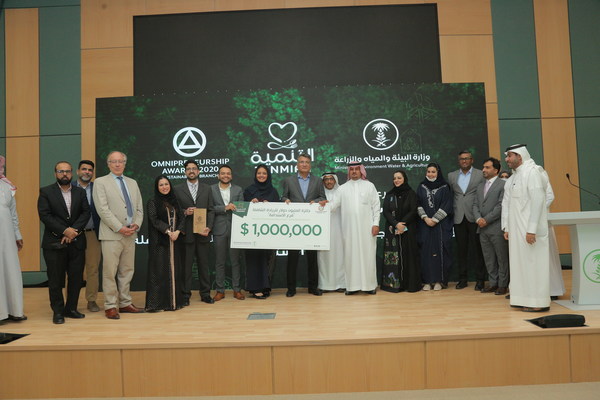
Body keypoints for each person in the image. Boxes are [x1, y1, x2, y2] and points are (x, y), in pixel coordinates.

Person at [93, 151, 144, 320]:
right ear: (108, 164)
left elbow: (139, 208)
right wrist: (120, 228)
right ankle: (110, 306)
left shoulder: (132, 183)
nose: (117, 164)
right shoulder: (100, 182)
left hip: (131, 234)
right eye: (113, 161)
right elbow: (102, 210)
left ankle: (125, 303)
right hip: (112, 235)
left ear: (125, 163)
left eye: (120, 161)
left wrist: (136, 224)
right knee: (109, 272)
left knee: (127, 271)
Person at [38, 161, 91, 324]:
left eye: (67, 171)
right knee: (55, 280)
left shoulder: (80, 192)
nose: (64, 174)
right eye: (61, 171)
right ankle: (58, 312)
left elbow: (86, 213)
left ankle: (71, 309)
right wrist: (64, 230)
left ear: (72, 173)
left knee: (76, 279)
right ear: (55, 173)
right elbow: (45, 215)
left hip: (77, 242)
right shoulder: (46, 192)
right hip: (54, 243)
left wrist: (73, 231)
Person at [501, 144, 550, 312]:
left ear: (519, 156)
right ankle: (521, 298)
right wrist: (507, 227)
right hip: (516, 231)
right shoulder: (513, 178)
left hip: (530, 231)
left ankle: (538, 302)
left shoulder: (533, 172)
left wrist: (532, 229)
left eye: (509, 156)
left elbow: (538, 201)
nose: (506, 159)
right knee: (519, 265)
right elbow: (507, 204)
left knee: (534, 264)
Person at [329, 162, 380, 295]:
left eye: (357, 169)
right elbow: (332, 206)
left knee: (368, 256)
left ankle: (370, 286)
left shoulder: (369, 186)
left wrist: (376, 223)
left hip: (367, 229)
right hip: (349, 230)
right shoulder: (342, 189)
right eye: (351, 169)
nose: (354, 172)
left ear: (361, 171)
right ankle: (352, 287)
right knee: (350, 257)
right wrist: (320, 205)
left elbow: (376, 206)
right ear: (349, 172)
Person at [281, 153, 326, 297]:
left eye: (307, 162)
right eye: (301, 162)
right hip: (294, 225)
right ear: (297, 164)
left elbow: (322, 197)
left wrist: (316, 201)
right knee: (292, 258)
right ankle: (291, 289)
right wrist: (286, 200)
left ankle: (313, 287)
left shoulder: (318, 180)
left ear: (310, 165)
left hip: (311, 225)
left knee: (312, 258)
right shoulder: (289, 180)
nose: (304, 164)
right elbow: (284, 196)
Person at [174, 160, 215, 305]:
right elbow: (175, 211)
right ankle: (185, 295)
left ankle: (205, 294)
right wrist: (185, 212)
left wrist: (209, 227)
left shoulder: (207, 188)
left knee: (204, 265)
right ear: (185, 172)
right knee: (186, 267)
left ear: (198, 171)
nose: (191, 171)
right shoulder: (177, 189)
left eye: (194, 168)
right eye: (188, 169)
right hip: (187, 233)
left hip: (203, 233)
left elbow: (211, 210)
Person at [145, 175, 185, 312]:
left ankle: (174, 302)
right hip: (160, 243)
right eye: (161, 185)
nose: (164, 187)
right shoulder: (152, 202)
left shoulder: (175, 201)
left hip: (175, 242)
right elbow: (154, 220)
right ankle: (157, 304)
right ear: (157, 187)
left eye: (166, 184)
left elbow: (182, 218)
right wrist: (168, 231)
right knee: (158, 272)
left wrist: (177, 231)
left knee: (174, 271)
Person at [448, 150, 486, 290]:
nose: (464, 161)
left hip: (475, 217)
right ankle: (462, 279)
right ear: (459, 161)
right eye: (462, 159)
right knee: (461, 251)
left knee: (478, 250)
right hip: (458, 218)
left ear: (472, 160)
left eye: (467, 158)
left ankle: (480, 280)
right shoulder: (451, 176)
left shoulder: (480, 174)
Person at [473, 158, 509, 295]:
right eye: (483, 167)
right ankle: (493, 283)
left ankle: (503, 284)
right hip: (482, 228)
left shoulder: (503, 184)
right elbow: (475, 204)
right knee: (489, 258)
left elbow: (501, 206)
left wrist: (486, 220)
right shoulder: (480, 185)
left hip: (497, 227)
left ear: (496, 170)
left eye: (487, 167)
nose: (484, 170)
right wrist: (478, 218)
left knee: (501, 258)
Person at [243, 164, 279, 299]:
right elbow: (242, 209)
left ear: (268, 175)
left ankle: (266, 287)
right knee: (254, 259)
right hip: (252, 232)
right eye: (259, 173)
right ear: (255, 175)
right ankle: (255, 288)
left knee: (268, 259)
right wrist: (250, 203)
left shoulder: (273, 191)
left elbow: (279, 211)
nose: (261, 175)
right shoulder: (248, 191)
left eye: (264, 173)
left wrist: (270, 206)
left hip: (269, 232)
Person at [381, 170, 421, 293]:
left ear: (404, 179)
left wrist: (403, 224)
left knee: (408, 256)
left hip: (408, 229)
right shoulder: (389, 195)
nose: (396, 180)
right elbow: (386, 212)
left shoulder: (411, 193)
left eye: (399, 178)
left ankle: (409, 284)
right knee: (394, 257)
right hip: (392, 230)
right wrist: (396, 224)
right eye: (394, 178)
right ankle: (394, 284)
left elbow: (413, 210)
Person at [210, 165, 245, 301]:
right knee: (219, 262)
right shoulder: (211, 189)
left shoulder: (238, 189)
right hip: (218, 229)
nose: (225, 175)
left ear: (231, 176)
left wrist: (238, 207)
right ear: (218, 175)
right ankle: (220, 291)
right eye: (223, 173)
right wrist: (225, 208)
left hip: (235, 230)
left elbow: (242, 208)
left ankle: (237, 290)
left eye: (228, 173)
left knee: (235, 261)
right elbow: (210, 208)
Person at [417, 163, 453, 291]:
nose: (430, 174)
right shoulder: (421, 186)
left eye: (433, 172)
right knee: (425, 252)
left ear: (438, 173)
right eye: (429, 171)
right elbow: (418, 204)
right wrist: (425, 218)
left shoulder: (445, 187)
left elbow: (447, 204)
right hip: (425, 225)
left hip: (441, 226)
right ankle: (427, 281)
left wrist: (435, 219)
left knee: (440, 252)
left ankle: (439, 281)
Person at [0, 155, 26, 322]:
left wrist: (17, 235)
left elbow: (13, 213)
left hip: (7, 236)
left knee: (10, 270)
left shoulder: (7, 187)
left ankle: (14, 311)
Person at [73, 160, 102, 312]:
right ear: (78, 171)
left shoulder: (98, 188)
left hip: (92, 234)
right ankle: (71, 302)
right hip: (73, 235)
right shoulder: (69, 187)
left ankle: (91, 300)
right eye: (84, 169)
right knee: (72, 269)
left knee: (93, 268)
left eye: (90, 170)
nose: (87, 172)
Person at [316, 172, 345, 292]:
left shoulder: (341, 193)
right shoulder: (318, 196)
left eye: (331, 179)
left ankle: (341, 284)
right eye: (326, 179)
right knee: (324, 259)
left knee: (340, 257)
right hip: (323, 232)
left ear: (335, 181)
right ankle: (325, 285)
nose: (328, 182)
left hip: (339, 230)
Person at [545, 180, 566, 299]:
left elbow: (549, 196)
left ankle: (553, 290)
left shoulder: (540, 174)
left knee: (548, 259)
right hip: (524, 224)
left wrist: (534, 210)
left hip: (543, 222)